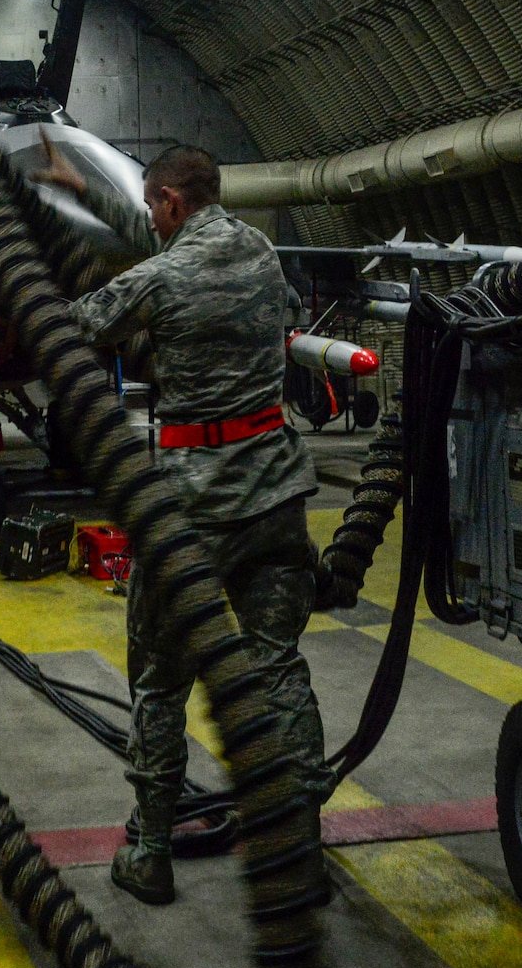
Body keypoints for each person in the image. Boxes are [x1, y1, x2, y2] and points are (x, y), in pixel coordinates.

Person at [35, 137, 325, 905]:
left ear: (167, 202)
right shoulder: (261, 252)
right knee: (278, 669)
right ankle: (303, 855)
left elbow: (73, 327)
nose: (149, 223)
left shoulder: (159, 278)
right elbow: (165, 247)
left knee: (161, 682)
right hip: (277, 495)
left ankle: (151, 852)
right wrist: (84, 193)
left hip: (193, 511)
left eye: (149, 209)